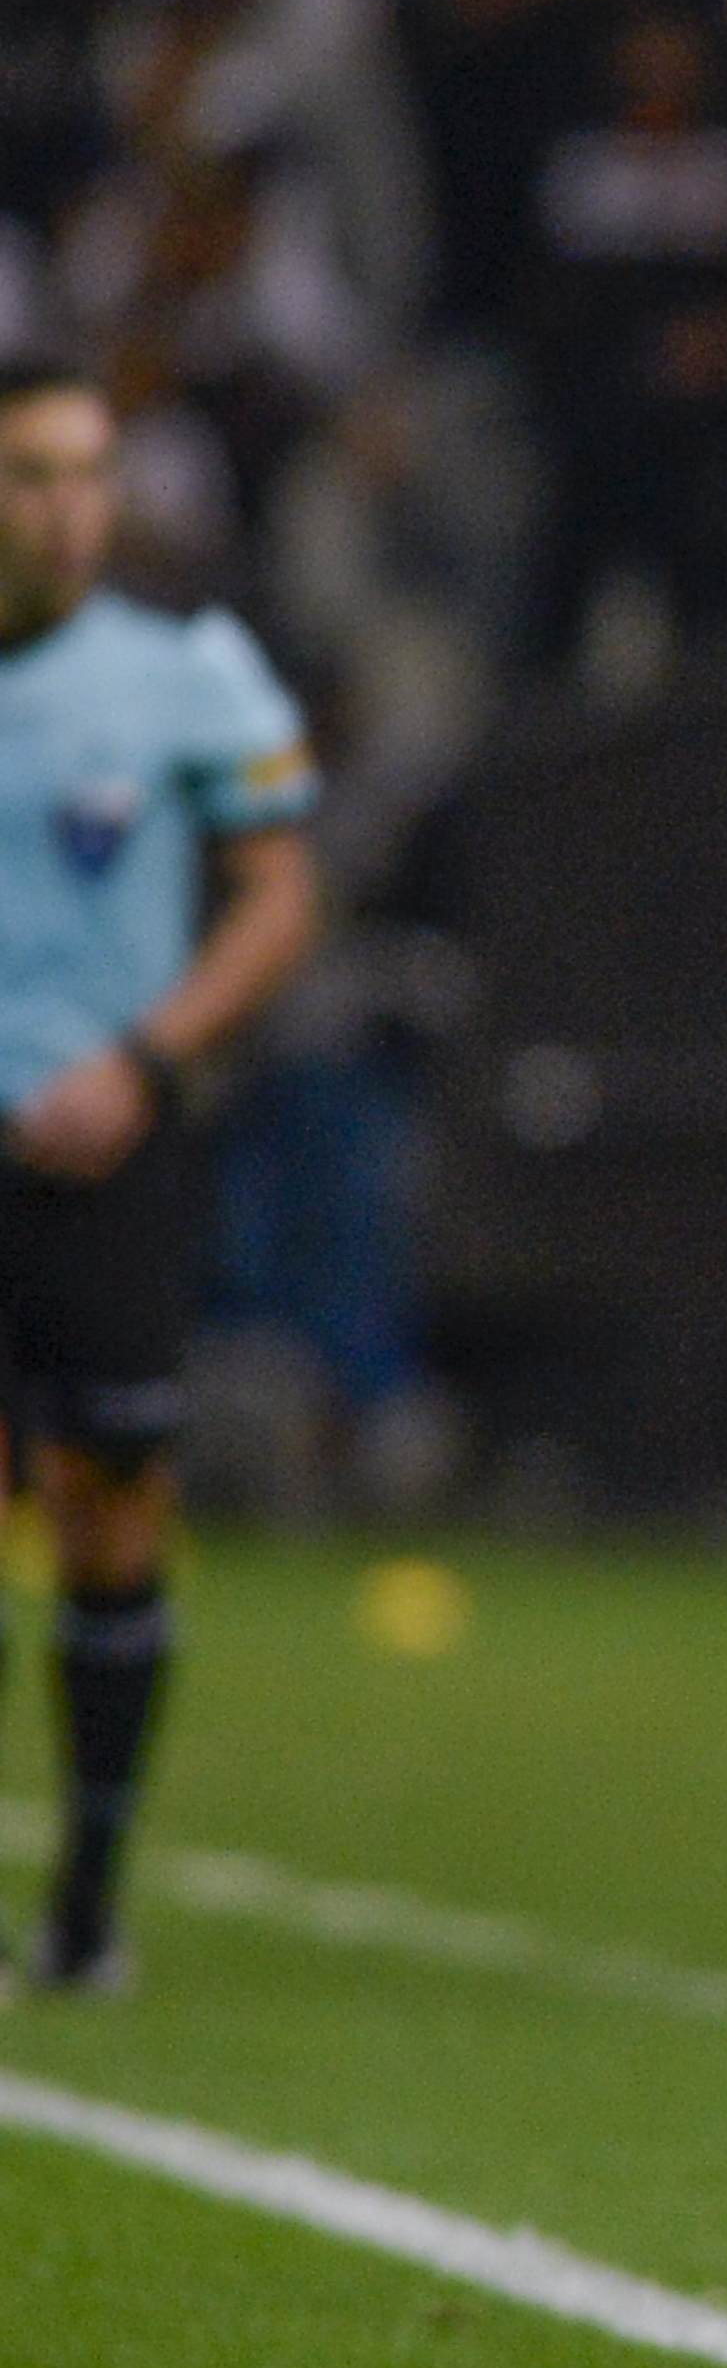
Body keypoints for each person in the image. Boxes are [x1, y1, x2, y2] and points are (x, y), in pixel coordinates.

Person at [0, 356, 322, 1994]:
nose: (67, 513)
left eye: (87, 474)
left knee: (112, 1507)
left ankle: (86, 1900)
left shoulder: (186, 672)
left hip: (108, 1142)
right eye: (30, 477)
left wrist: (144, 1059)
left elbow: (278, 895)